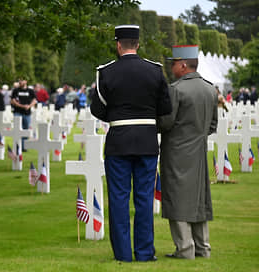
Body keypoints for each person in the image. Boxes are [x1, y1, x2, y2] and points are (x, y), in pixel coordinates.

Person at [90, 25, 171, 262]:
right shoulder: (155, 71)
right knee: (144, 198)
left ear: (118, 44)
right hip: (146, 140)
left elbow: (97, 108)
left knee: (118, 198)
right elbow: (165, 108)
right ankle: (145, 253)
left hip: (119, 142)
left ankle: (123, 254)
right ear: (137, 44)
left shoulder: (106, 72)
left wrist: (118, 118)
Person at [158, 45, 217, 260]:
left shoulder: (176, 89)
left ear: (183, 65)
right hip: (199, 152)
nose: (171, 68)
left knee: (177, 198)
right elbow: (212, 125)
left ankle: (185, 249)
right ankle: (203, 247)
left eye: (173, 63)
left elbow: (165, 123)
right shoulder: (210, 89)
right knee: (199, 199)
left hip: (176, 152)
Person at [11, 78, 37, 151]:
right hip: (17, 112)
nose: (20, 82)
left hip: (27, 113)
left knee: (26, 130)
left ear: (26, 81)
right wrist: (21, 106)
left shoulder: (30, 91)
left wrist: (29, 106)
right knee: (18, 129)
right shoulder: (15, 90)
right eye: (19, 80)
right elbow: (13, 101)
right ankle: (17, 145)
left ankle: (24, 146)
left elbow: (34, 100)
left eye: (22, 80)